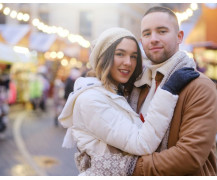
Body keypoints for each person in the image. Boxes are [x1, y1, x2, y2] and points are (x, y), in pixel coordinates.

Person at [58, 27, 199, 175]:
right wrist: (168, 91)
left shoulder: (116, 92)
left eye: (133, 56)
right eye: (120, 54)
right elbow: (142, 143)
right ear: (103, 57)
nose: (128, 62)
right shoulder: (91, 100)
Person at [127, 6, 217, 176]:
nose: (153, 39)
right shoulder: (137, 86)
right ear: (141, 40)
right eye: (147, 34)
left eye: (162, 31)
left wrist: (127, 166)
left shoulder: (200, 87)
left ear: (179, 37)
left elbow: (188, 157)